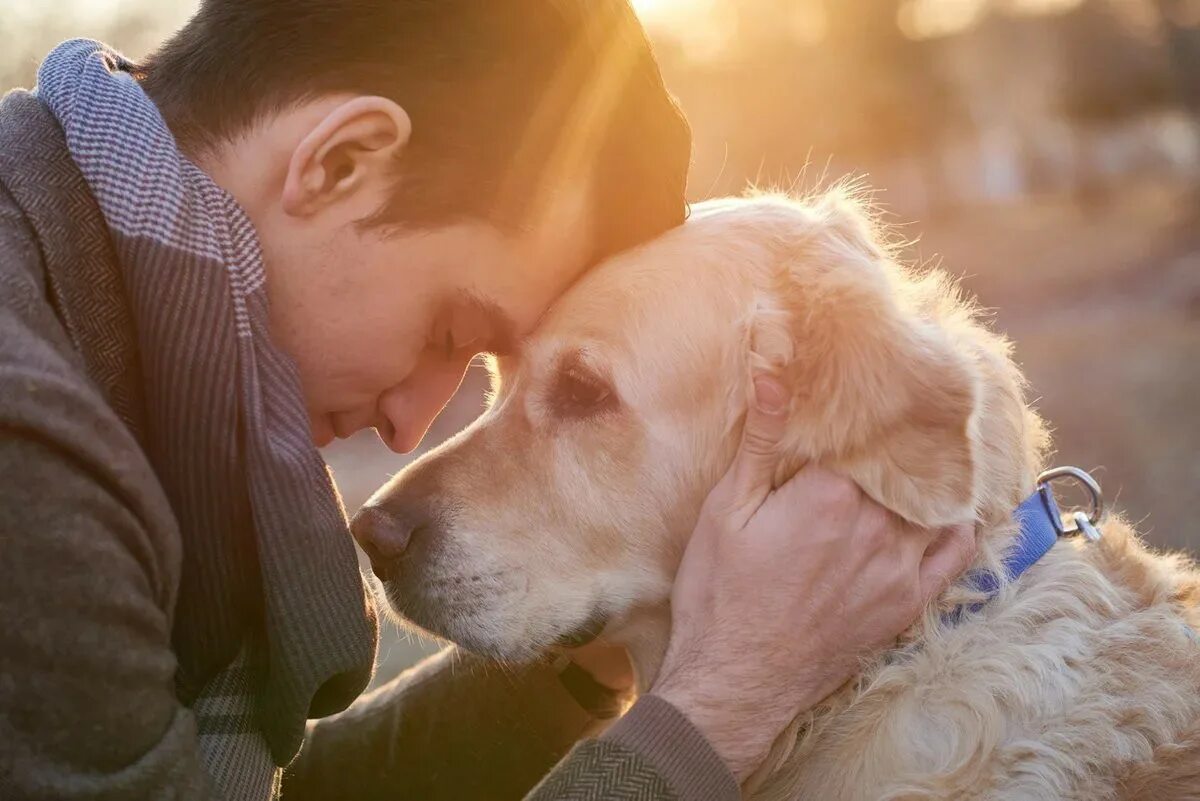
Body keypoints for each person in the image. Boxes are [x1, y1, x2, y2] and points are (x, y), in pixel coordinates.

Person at [0, 1, 976, 799]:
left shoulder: (60, 276)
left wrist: (599, 646)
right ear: (339, 163)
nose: (411, 424)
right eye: (450, 334)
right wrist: (724, 703)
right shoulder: (28, 451)